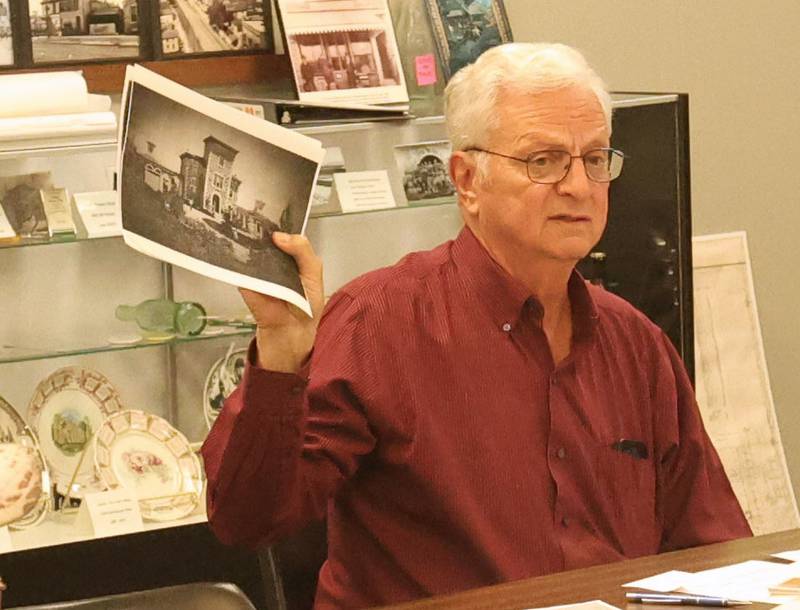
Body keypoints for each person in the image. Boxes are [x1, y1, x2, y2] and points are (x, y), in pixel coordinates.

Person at [202, 42, 752, 609]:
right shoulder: (379, 322)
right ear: (467, 181)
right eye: (544, 161)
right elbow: (249, 521)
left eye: (594, 159)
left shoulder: (635, 343)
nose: (579, 187)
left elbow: (712, 550)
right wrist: (280, 358)